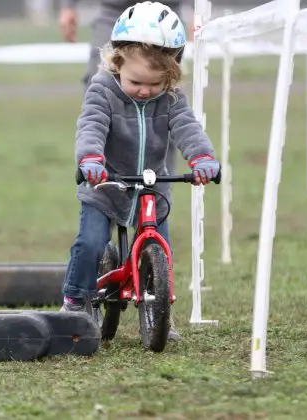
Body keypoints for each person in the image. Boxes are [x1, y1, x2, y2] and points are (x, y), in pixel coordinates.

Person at [60, 1, 220, 342]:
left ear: (172, 74)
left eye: (155, 84)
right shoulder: (103, 89)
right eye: (136, 82)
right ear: (117, 63)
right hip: (104, 182)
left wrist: (202, 157)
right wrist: (90, 160)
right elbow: (91, 126)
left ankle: (161, 314)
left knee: (162, 246)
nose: (146, 90)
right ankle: (75, 300)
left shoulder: (172, 97)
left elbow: (187, 128)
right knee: (91, 242)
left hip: (151, 185)